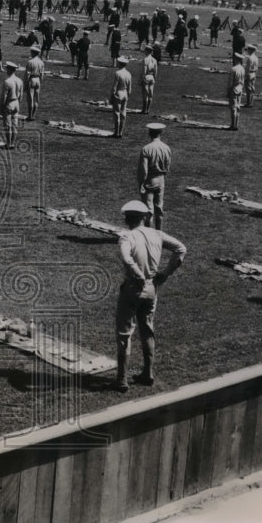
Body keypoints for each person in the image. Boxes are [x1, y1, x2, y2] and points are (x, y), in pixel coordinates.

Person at [113, 200, 187, 390]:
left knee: (124, 333)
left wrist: (137, 273)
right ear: (145, 217)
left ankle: (122, 379)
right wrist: (166, 273)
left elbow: (126, 257)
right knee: (147, 329)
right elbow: (181, 248)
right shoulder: (157, 234)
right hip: (152, 287)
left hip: (132, 288)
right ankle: (148, 372)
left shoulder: (127, 237)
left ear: (128, 218)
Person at [137, 123, 172, 229]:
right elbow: (168, 165)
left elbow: (144, 169)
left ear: (149, 133)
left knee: (148, 210)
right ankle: (159, 233)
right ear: (160, 133)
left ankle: (149, 234)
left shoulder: (146, 149)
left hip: (150, 180)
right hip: (161, 179)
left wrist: (141, 183)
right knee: (159, 208)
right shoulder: (166, 148)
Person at [0, 61, 24, 149]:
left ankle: (8, 143)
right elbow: (21, 94)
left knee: (8, 125)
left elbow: (3, 97)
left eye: (7, 68)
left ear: (9, 69)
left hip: (9, 103)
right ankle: (12, 143)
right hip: (16, 103)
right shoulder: (19, 80)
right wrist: (18, 102)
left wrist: (1, 107)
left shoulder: (7, 81)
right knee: (15, 125)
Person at [110, 55, 133, 138]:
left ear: (120, 63)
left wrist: (112, 96)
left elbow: (114, 87)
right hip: (125, 93)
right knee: (123, 114)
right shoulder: (129, 74)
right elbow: (130, 88)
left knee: (116, 113)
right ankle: (121, 132)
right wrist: (128, 96)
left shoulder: (118, 73)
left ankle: (116, 133)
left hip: (119, 93)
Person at [24, 46, 45, 122]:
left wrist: (25, 84)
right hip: (38, 80)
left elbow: (27, 74)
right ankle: (34, 115)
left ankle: (30, 116)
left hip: (32, 79)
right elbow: (42, 75)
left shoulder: (30, 62)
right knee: (36, 99)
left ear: (33, 52)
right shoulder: (41, 62)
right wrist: (40, 83)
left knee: (30, 99)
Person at [227, 52, 245, 131]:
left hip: (234, 88)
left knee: (233, 108)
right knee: (238, 107)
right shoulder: (242, 68)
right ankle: (236, 124)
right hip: (240, 88)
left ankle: (232, 125)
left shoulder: (233, 69)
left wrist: (228, 90)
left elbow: (230, 82)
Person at [140, 45, 158, 114]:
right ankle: (148, 110)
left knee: (145, 95)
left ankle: (144, 110)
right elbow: (156, 72)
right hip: (152, 77)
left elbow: (144, 71)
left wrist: (141, 79)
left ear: (147, 51)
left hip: (146, 77)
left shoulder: (145, 59)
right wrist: (154, 78)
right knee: (150, 94)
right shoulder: (154, 60)